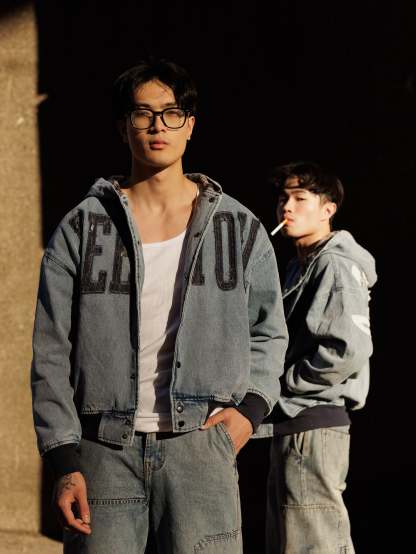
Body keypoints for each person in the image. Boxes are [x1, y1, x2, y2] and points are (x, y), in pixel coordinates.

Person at [30, 58, 288, 553]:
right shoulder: (83, 227)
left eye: (171, 113)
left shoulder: (238, 228)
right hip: (103, 452)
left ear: (190, 125)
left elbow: (269, 331)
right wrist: (64, 459)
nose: (157, 126)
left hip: (201, 449)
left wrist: (249, 411)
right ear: (122, 126)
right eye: (142, 114)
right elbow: (51, 349)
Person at [264, 162, 377, 553]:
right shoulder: (298, 266)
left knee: (314, 544)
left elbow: (346, 349)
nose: (287, 207)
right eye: (283, 198)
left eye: (300, 198)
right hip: (295, 423)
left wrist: (282, 387)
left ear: (328, 209)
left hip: (311, 423)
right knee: (293, 541)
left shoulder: (335, 263)